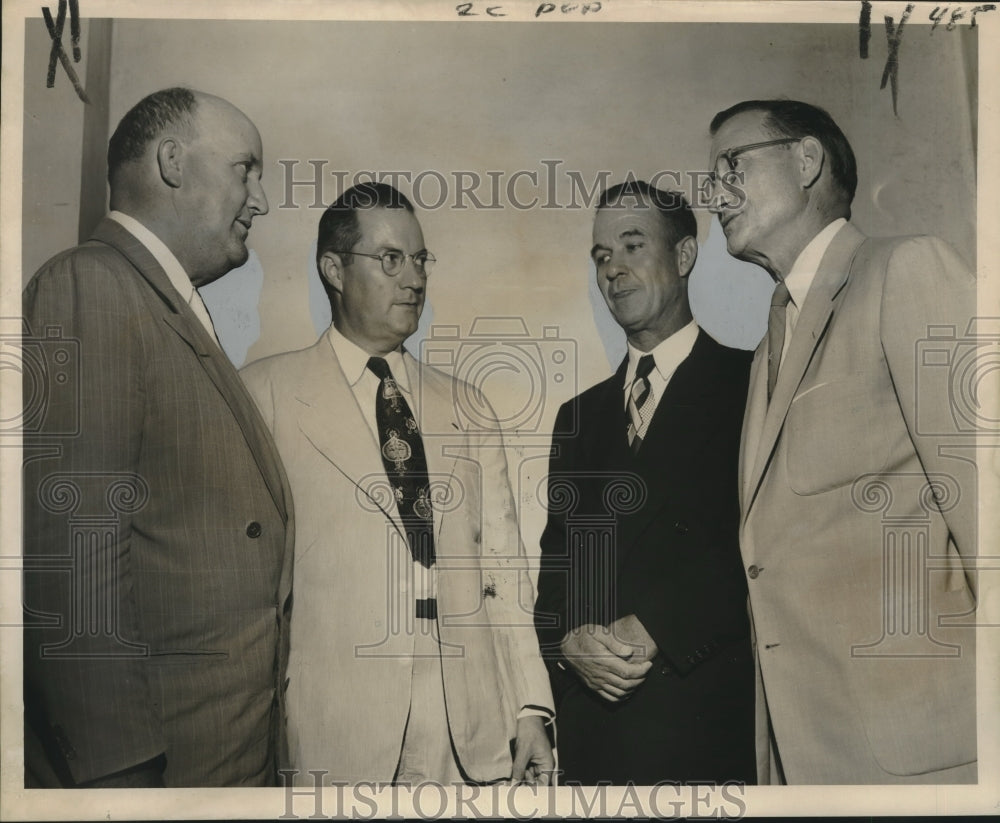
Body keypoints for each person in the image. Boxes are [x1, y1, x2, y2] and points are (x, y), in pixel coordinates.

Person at [22, 87, 293, 787]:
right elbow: (75, 560)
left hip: (219, 758)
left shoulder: (160, 301)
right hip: (154, 773)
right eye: (245, 170)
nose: (259, 200)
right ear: (173, 162)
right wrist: (120, 782)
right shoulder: (92, 285)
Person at [241, 182, 554, 786]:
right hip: (336, 734)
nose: (413, 278)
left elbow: (504, 572)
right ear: (334, 269)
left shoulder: (468, 404)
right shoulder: (264, 397)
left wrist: (530, 706)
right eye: (390, 259)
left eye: (419, 259)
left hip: (472, 735)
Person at [707, 99, 978, 784]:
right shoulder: (770, 340)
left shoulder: (908, 271)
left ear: (805, 161)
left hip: (926, 755)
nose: (715, 194)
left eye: (731, 166)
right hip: (806, 760)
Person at [533, 180, 756, 785]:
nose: (614, 271)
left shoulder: (752, 383)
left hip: (709, 736)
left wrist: (657, 624)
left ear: (684, 257)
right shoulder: (576, 418)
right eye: (602, 256)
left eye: (633, 246)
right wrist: (567, 644)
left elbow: (771, 550)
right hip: (598, 746)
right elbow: (554, 577)